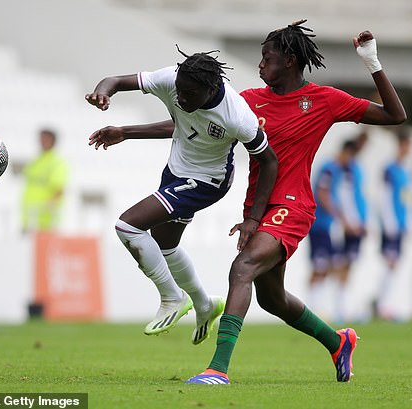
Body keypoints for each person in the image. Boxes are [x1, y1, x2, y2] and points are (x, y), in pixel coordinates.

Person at [184, 21, 406, 385]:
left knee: (242, 268)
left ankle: (217, 369)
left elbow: (395, 115)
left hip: (293, 206)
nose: (259, 65)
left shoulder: (325, 100)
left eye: (266, 58)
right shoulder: (249, 101)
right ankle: (338, 342)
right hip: (257, 208)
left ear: (289, 60)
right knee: (271, 299)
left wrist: (372, 63)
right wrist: (127, 131)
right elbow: (194, 121)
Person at [84, 48, 278, 344]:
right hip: (175, 172)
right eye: (179, 92)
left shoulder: (237, 115)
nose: (181, 99)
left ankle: (172, 297)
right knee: (165, 246)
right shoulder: (174, 81)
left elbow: (269, 161)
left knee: (127, 226)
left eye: (189, 95)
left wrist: (252, 218)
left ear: (211, 89)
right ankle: (204, 304)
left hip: (207, 182)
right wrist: (106, 99)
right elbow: (115, 81)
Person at [307, 134, 368, 323]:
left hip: (332, 226)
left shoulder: (344, 171)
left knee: (337, 265)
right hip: (321, 225)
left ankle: (337, 307)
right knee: (321, 265)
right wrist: (342, 218)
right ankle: (311, 308)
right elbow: (323, 194)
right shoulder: (330, 169)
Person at [373, 127, 412, 320]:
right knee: (390, 263)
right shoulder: (389, 168)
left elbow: (406, 198)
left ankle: (382, 302)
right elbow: (384, 196)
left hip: (401, 223)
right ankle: (382, 304)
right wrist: (389, 222)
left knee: (394, 264)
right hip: (392, 224)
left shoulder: (405, 170)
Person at [21, 129, 69, 233]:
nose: (42, 141)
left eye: (45, 139)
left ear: (53, 141)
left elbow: (59, 190)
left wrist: (45, 208)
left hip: (46, 223)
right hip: (29, 219)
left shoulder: (57, 163)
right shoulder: (35, 161)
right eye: (41, 138)